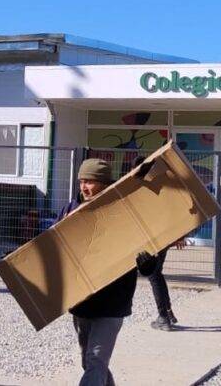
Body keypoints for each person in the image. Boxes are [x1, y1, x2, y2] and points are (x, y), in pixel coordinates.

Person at [61, 158, 157, 386]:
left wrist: (145, 260)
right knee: (91, 362)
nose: (84, 187)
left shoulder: (124, 212)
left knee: (96, 361)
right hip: (82, 303)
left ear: (104, 184)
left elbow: (150, 266)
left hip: (112, 304)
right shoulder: (70, 209)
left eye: (90, 182)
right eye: (81, 181)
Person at [130, 156, 185, 331]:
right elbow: (173, 210)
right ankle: (168, 313)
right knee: (157, 275)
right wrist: (177, 235)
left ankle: (163, 317)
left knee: (154, 276)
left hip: (151, 240)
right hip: (163, 238)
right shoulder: (160, 187)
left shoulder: (138, 190)